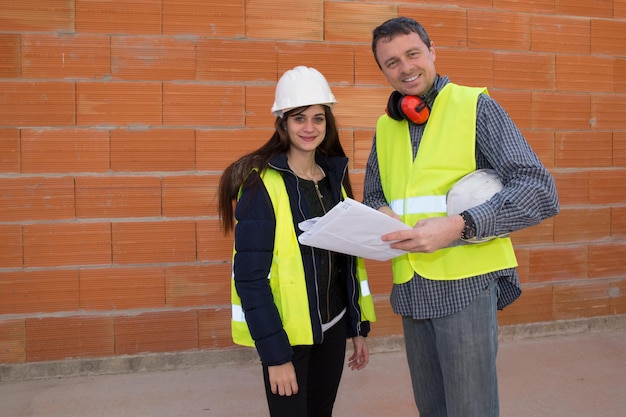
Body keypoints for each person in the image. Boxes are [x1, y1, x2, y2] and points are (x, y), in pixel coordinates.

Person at [363, 17, 559, 417]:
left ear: (432, 52)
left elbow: (539, 189)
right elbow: (373, 195)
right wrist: (381, 213)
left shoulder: (476, 107)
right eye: (392, 63)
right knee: (431, 408)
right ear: (383, 71)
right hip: (412, 287)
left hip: (466, 287)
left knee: (471, 408)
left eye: (413, 54)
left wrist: (458, 225)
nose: (405, 68)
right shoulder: (387, 126)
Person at [218, 65, 376, 417]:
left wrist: (357, 327)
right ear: (283, 122)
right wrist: (276, 357)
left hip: (333, 328)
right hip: (288, 335)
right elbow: (249, 279)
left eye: (318, 119)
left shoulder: (334, 178)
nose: (309, 128)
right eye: (299, 118)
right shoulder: (262, 185)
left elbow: (347, 262)